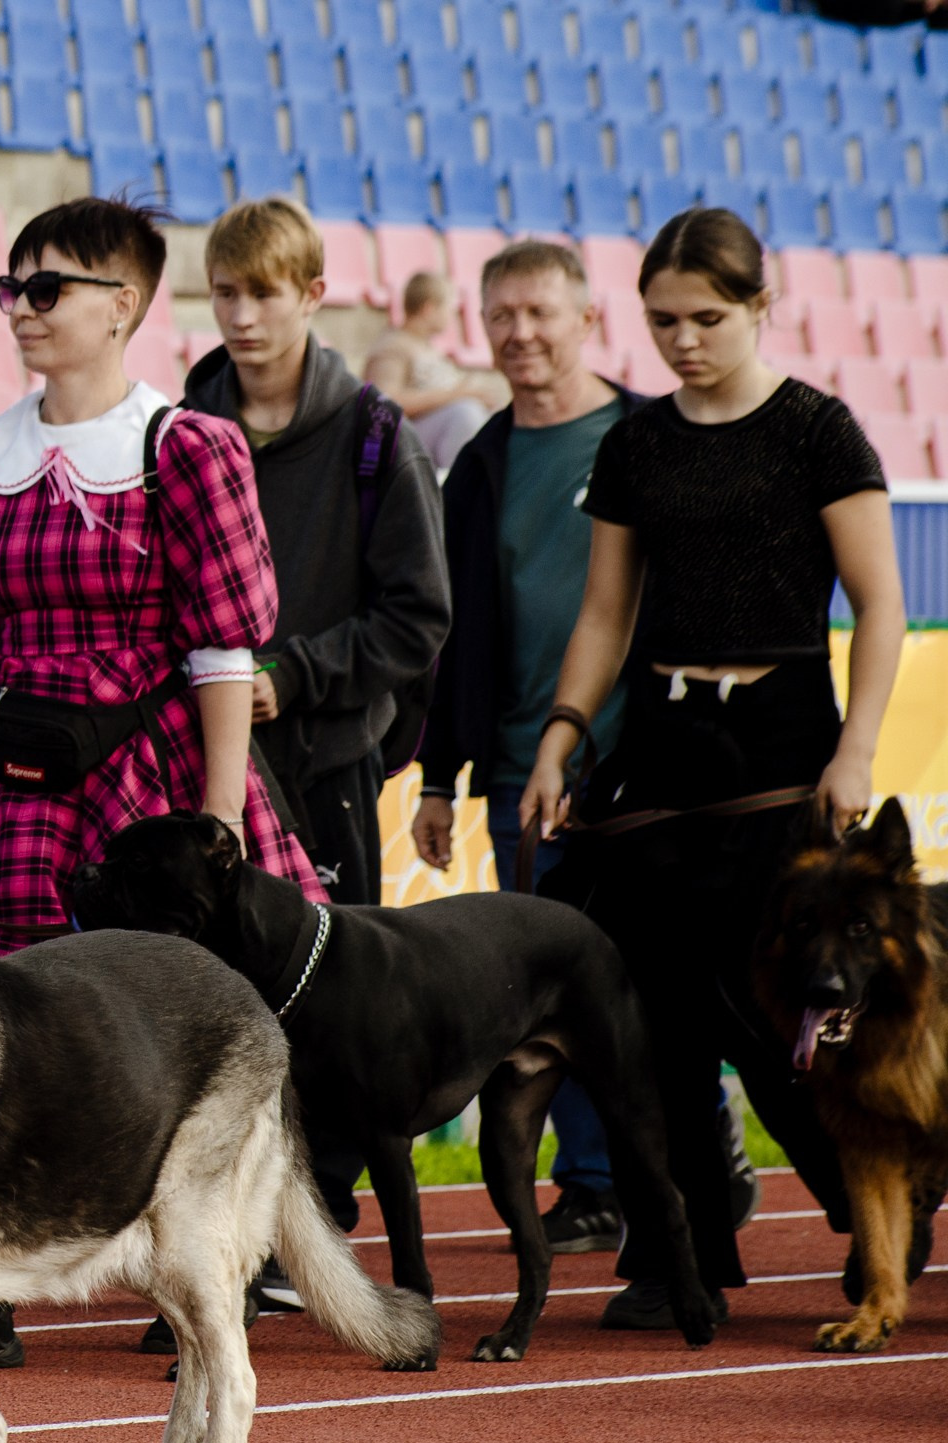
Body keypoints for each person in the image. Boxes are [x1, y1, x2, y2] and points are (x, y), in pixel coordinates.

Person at [0, 196, 318, 1367]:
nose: (23, 308)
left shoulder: (188, 449)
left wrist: (219, 821)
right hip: (11, 766)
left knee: (160, 1010)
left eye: (48, 287)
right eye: (13, 288)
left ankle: (207, 1268)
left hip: (148, 771)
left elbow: (224, 654)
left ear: (124, 304)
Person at [520, 207, 904, 1330]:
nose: (682, 340)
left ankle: (873, 1208)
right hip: (662, 745)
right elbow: (604, 611)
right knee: (656, 1011)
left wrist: (857, 749)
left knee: (773, 1003)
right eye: (661, 321)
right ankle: (683, 1256)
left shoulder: (820, 431)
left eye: (705, 318)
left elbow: (880, 603)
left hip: (788, 743)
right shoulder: (635, 443)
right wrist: (563, 737)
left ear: (759, 307)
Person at [414, 240, 761, 1259]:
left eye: (541, 313)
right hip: (522, 775)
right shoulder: (478, 462)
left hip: (651, 772)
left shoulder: (651, 435)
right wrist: (441, 774)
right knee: (544, 990)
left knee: (658, 985)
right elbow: (455, 634)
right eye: (502, 316)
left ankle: (707, 1160)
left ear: (587, 322)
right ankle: (597, 1184)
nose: (521, 333)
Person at [182, 196, 451, 1254]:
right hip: (201, 762)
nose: (244, 316)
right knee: (212, 997)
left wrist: (290, 676)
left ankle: (319, 1218)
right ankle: (222, 1226)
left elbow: (419, 617)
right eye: (226, 293)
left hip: (325, 757)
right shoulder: (177, 423)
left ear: (312, 295)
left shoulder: (379, 435)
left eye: (265, 293)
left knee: (330, 1008)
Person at [362, 270, 495, 472]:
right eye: (448, 309)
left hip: (429, 439)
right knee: (465, 413)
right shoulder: (392, 346)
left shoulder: (427, 347)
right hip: (402, 447)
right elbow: (384, 403)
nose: (451, 316)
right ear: (429, 309)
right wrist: (457, 395)